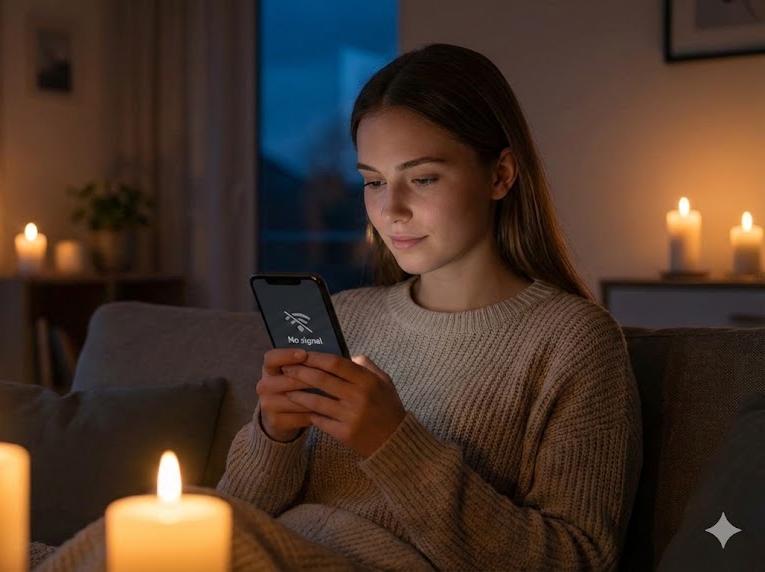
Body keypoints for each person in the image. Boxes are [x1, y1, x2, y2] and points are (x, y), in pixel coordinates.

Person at [39, 43, 642, 572]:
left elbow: (576, 558)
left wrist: (393, 440)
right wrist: (274, 433)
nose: (391, 209)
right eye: (374, 181)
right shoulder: (347, 316)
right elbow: (243, 506)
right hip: (266, 546)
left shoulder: (574, 341)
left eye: (423, 179)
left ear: (501, 175)